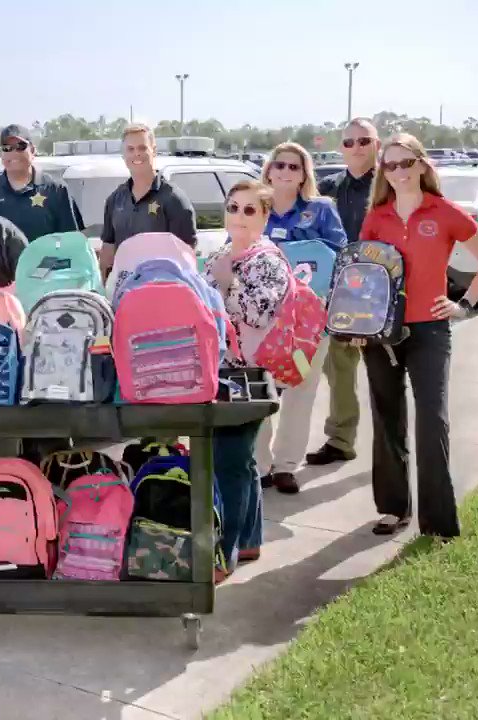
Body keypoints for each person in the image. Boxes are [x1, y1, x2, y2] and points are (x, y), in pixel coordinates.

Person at [359, 134, 478, 538]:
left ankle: (437, 522)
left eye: (407, 163)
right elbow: (362, 279)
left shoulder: (444, 212)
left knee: (431, 421)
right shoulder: (377, 217)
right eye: (391, 165)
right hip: (381, 332)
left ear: (422, 165)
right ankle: (392, 508)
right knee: (387, 420)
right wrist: (358, 324)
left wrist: (465, 304)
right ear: (383, 172)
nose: (399, 172)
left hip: (430, 332)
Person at [202, 179, 291, 579]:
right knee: (241, 460)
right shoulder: (221, 253)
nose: (238, 216)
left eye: (249, 210)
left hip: (250, 373)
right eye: (233, 207)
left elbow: (260, 313)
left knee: (230, 460)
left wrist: (225, 283)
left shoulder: (268, 260)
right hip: (221, 369)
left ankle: (227, 550)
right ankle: (251, 540)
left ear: (266, 216)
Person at [254, 142, 348, 494]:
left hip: (308, 320)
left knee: (301, 388)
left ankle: (286, 465)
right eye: (279, 165)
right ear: (268, 169)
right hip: (262, 319)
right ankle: (259, 464)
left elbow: (341, 255)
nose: (285, 172)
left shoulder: (321, 211)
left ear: (304, 173)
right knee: (258, 388)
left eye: (294, 167)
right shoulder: (256, 208)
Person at [308, 118, 380, 468]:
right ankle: (341, 440)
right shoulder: (327, 188)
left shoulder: (389, 186)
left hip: (381, 291)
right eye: (349, 142)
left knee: (385, 372)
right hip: (339, 291)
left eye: (364, 140)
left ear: (376, 145)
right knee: (339, 369)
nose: (356, 147)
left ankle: (390, 444)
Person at [99, 123, 196, 278]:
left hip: (161, 289)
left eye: (142, 148)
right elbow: (108, 251)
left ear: (154, 151)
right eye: (130, 149)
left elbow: (186, 257)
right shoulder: (115, 200)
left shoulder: (174, 199)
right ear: (123, 155)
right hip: (123, 292)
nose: (136, 154)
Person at [0, 124, 83, 241]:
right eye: (7, 148)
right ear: (1, 154)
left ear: (33, 150)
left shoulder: (56, 190)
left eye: (20, 146)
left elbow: (71, 241)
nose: (14, 152)